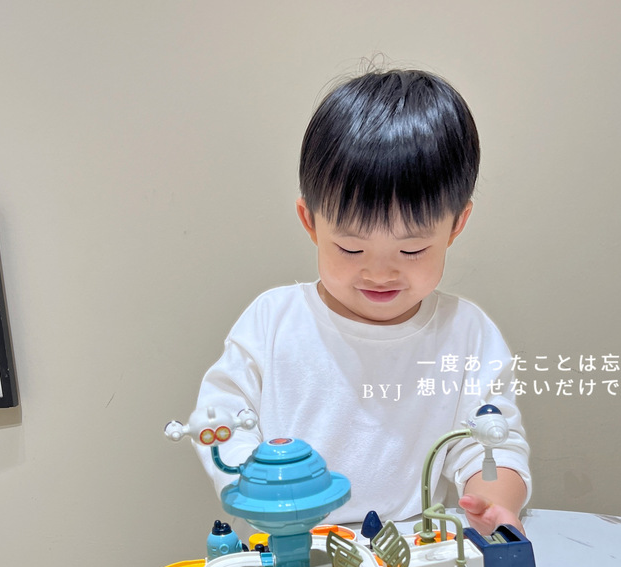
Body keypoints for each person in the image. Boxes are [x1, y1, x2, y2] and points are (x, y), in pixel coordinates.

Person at [196, 68, 531, 535]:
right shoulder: (273, 322)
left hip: (411, 549)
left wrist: (494, 505)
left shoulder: (465, 333)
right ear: (310, 221)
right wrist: (259, 481)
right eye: (350, 249)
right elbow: (223, 418)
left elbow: (490, 444)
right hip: (295, 545)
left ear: (457, 224)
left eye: (412, 250)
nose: (379, 273)